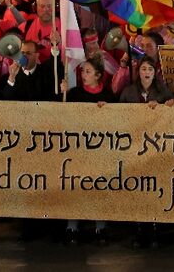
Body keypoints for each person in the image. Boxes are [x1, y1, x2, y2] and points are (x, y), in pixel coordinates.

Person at [60, 58, 114, 245]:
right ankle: (72, 226)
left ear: (98, 75)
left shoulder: (108, 95)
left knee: (99, 187)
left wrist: (107, 111)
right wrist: (63, 95)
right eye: (83, 71)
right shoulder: (74, 94)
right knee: (76, 187)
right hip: (78, 150)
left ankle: (101, 227)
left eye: (88, 72)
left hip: (100, 151)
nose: (84, 75)